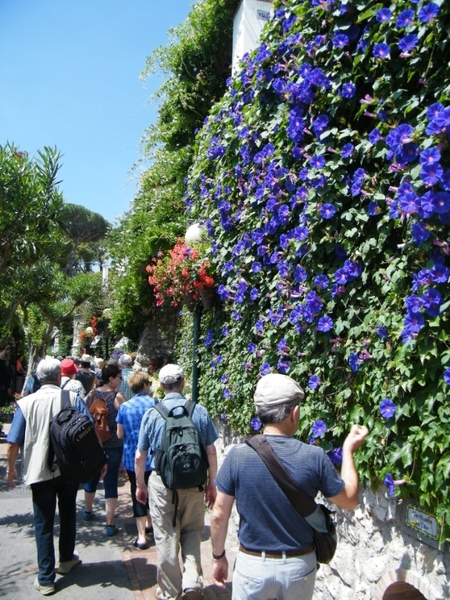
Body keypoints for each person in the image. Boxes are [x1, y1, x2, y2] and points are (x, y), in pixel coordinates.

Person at [210, 373, 369, 600]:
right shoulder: (314, 457)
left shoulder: (238, 456)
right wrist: (348, 451)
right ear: (294, 414)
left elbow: (218, 515)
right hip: (298, 567)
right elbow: (350, 499)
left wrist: (218, 557)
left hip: (253, 565)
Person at [5, 357, 91, 596]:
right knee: (68, 513)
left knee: (43, 522)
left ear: (39, 377)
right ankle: (66, 559)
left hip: (39, 470)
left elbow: (13, 442)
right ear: (58, 377)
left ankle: (45, 578)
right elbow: (89, 428)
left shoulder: (27, 403)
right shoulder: (72, 399)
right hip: (68, 468)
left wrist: (10, 469)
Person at [135, 364, 218, 600]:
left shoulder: (153, 413)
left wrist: (140, 484)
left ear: (161, 386)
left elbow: (140, 455)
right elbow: (211, 452)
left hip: (162, 483)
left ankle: (170, 592)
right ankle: (192, 583)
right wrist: (212, 483)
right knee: (192, 531)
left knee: (165, 535)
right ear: (183, 382)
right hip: (194, 482)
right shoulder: (198, 411)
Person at [82, 361, 126, 535]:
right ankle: (109, 524)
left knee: (91, 478)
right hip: (113, 445)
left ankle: (87, 511)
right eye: (119, 377)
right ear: (111, 379)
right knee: (110, 482)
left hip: (93, 445)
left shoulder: (91, 395)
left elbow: (83, 415)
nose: (121, 380)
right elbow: (124, 417)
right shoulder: (117, 397)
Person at [116, 370, 156, 549]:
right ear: (146, 385)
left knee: (137, 491)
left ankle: (141, 536)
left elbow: (119, 433)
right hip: (154, 457)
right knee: (153, 491)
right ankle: (151, 523)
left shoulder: (125, 407)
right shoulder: (155, 404)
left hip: (133, 457)